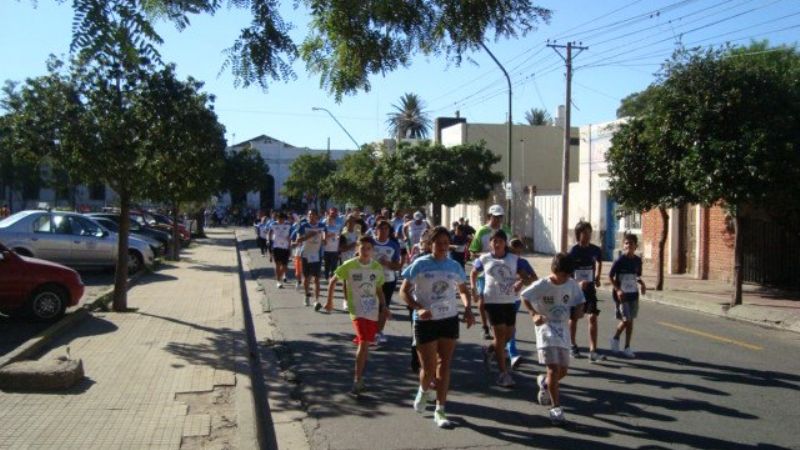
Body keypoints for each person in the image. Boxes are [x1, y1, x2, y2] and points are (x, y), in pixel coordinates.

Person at [400, 226, 475, 428]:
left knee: (445, 365)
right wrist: (418, 308)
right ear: (430, 244)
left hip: (448, 319)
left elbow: (463, 290)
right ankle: (424, 390)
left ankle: (440, 410)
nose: (442, 247)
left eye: (445, 243)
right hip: (425, 321)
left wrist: (468, 309)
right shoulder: (420, 264)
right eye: (438, 243)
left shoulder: (454, 266)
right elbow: (404, 292)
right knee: (429, 367)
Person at [521, 253, 585, 425]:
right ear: (554, 270)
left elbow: (580, 301)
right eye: (561, 275)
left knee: (563, 370)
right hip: (545, 327)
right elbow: (524, 296)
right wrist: (534, 314)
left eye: (567, 275)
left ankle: (544, 383)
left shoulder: (571, 285)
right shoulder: (543, 284)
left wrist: (579, 310)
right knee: (554, 369)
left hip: (563, 329)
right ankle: (556, 407)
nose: (563, 279)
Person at [470, 229, 536, 387]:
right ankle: (503, 374)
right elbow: (473, 272)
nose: (497, 243)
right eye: (494, 241)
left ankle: (488, 350)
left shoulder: (514, 259)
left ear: (505, 243)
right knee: (500, 338)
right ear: (490, 243)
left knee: (508, 335)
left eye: (500, 241)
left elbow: (530, 278)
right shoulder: (484, 258)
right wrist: (473, 288)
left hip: (510, 302)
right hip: (492, 301)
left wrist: (521, 281)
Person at [325, 236, 387, 395]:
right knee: (365, 342)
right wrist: (330, 301)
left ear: (373, 251)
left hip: (371, 310)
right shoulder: (349, 265)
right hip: (356, 310)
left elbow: (379, 289)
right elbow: (333, 280)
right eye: (363, 248)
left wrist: (384, 306)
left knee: (365, 344)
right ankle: (357, 380)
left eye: (369, 248)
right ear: (357, 249)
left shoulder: (377, 267)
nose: (365, 251)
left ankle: (359, 377)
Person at [468, 204, 511, 341]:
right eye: (495, 217)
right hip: (483, 271)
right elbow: (472, 251)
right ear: (489, 216)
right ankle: (485, 326)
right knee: (482, 301)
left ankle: (498, 327)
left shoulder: (506, 230)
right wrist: (487, 256)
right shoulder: (482, 231)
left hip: (501, 272)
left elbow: (508, 250)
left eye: (500, 217)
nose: (498, 220)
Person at [568, 221, 605, 362]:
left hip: (590, 289)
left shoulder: (595, 250)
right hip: (575, 290)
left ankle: (593, 350)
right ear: (578, 234)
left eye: (589, 232)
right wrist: (578, 282)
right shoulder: (573, 251)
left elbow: (600, 261)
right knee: (574, 318)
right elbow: (567, 273)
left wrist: (598, 276)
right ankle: (572, 345)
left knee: (593, 317)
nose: (588, 235)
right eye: (584, 232)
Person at [608, 233, 646, 359]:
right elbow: (610, 276)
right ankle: (615, 338)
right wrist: (618, 290)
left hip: (633, 295)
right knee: (626, 320)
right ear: (623, 245)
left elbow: (638, 275)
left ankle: (627, 347)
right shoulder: (620, 260)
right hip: (622, 296)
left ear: (636, 246)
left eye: (631, 243)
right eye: (626, 243)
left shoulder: (637, 261)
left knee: (630, 321)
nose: (629, 245)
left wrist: (642, 284)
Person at [506, 237, 536, 369]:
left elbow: (534, 279)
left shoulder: (523, 263)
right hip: (498, 299)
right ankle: (494, 349)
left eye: (518, 252)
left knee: (510, 326)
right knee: (504, 328)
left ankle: (512, 354)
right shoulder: (502, 260)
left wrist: (521, 281)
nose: (516, 255)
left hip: (515, 299)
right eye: (513, 252)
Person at [371, 219, 402, 345]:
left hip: (388, 280)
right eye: (380, 228)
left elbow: (397, 266)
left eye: (386, 229)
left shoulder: (394, 245)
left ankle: (379, 332)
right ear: (376, 230)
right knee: (371, 306)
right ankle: (369, 331)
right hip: (371, 280)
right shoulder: (371, 242)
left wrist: (388, 263)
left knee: (384, 307)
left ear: (389, 231)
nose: (383, 231)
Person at [295, 210, 326, 308]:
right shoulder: (304, 226)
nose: (311, 216)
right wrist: (309, 235)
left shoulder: (322, 225)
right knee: (307, 278)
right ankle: (306, 295)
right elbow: (298, 240)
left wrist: (325, 240)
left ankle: (316, 300)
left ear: (317, 216)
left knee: (317, 279)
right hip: (306, 255)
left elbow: (324, 237)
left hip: (317, 255)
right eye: (309, 215)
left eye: (313, 214)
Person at [269, 212, 292, 288]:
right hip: (276, 247)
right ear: (277, 218)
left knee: (285, 267)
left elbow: (290, 235)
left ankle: (280, 276)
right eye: (279, 219)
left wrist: (290, 245)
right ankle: (278, 281)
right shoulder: (273, 224)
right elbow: (270, 232)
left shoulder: (288, 225)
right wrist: (269, 241)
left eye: (282, 219)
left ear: (284, 219)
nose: (280, 221)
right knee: (278, 265)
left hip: (285, 247)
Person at [322, 207, 342, 281]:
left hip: (335, 249)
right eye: (329, 219)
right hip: (326, 248)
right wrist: (330, 235)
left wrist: (338, 238)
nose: (331, 220)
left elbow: (339, 235)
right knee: (327, 264)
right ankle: (326, 277)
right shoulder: (325, 226)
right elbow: (323, 237)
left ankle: (332, 277)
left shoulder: (337, 226)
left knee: (334, 265)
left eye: (332, 220)